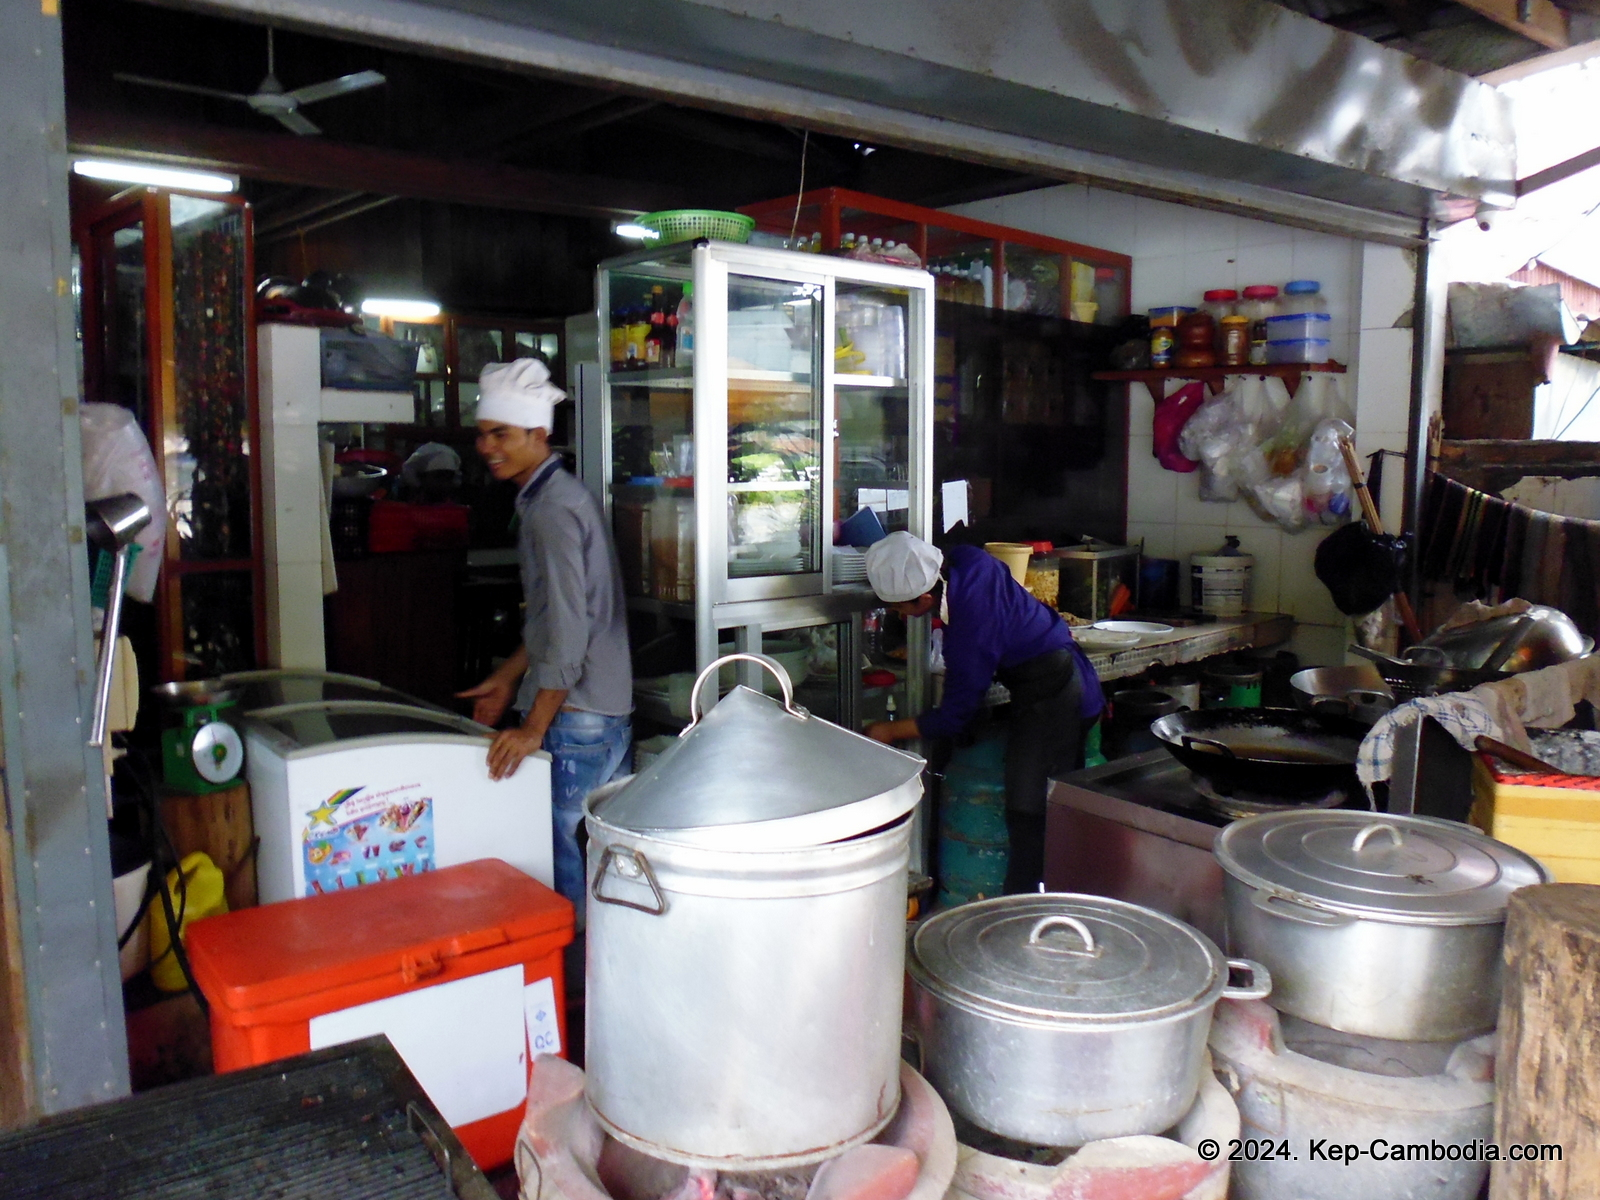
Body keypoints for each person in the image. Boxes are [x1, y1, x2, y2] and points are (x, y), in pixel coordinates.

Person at [458, 357, 632, 921]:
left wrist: (533, 728)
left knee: (563, 858)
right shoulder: (549, 495)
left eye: (500, 434)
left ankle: (574, 986)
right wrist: (506, 681)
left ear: (538, 434)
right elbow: (554, 620)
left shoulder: (551, 511)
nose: (487, 447)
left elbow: (567, 631)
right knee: (595, 853)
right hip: (599, 708)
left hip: (579, 715)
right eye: (483, 434)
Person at [862, 531, 1102, 893]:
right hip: (1057, 674)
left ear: (926, 598)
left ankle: (1022, 908)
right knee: (1041, 802)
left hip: (1054, 694)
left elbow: (955, 714)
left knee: (1030, 808)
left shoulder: (970, 627)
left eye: (901, 609)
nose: (900, 615)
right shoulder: (966, 560)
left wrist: (888, 731)